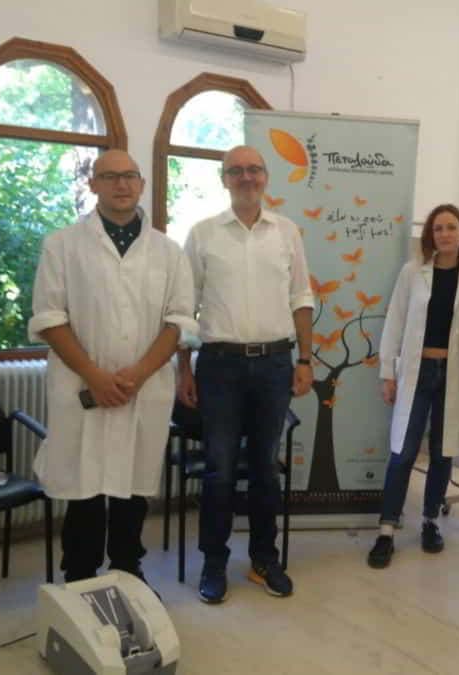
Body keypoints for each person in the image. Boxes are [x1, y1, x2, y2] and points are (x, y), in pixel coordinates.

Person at [29, 149, 196, 584]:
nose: (121, 184)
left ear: (142, 184)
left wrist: (136, 375)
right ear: (93, 185)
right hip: (82, 386)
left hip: (145, 386)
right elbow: (49, 317)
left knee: (133, 486)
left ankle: (127, 570)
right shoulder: (62, 245)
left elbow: (179, 320)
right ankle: (80, 576)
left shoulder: (168, 251)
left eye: (129, 176)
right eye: (109, 176)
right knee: (83, 485)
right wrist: (95, 376)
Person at [179, 145, 314, 603]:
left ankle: (263, 560)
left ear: (266, 176)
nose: (246, 177)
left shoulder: (287, 232)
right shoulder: (202, 234)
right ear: (224, 180)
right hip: (220, 365)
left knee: (264, 471)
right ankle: (214, 563)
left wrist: (305, 360)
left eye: (254, 169)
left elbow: (301, 297)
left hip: (275, 364)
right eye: (236, 171)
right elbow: (185, 308)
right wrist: (184, 370)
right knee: (219, 470)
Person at [367, 204, 459, 568]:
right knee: (403, 450)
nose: (445, 234)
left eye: (451, 227)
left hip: (455, 375)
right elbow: (395, 321)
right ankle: (387, 529)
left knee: (442, 452)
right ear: (431, 235)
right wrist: (387, 372)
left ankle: (431, 521)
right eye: (438, 228)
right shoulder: (412, 273)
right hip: (416, 372)